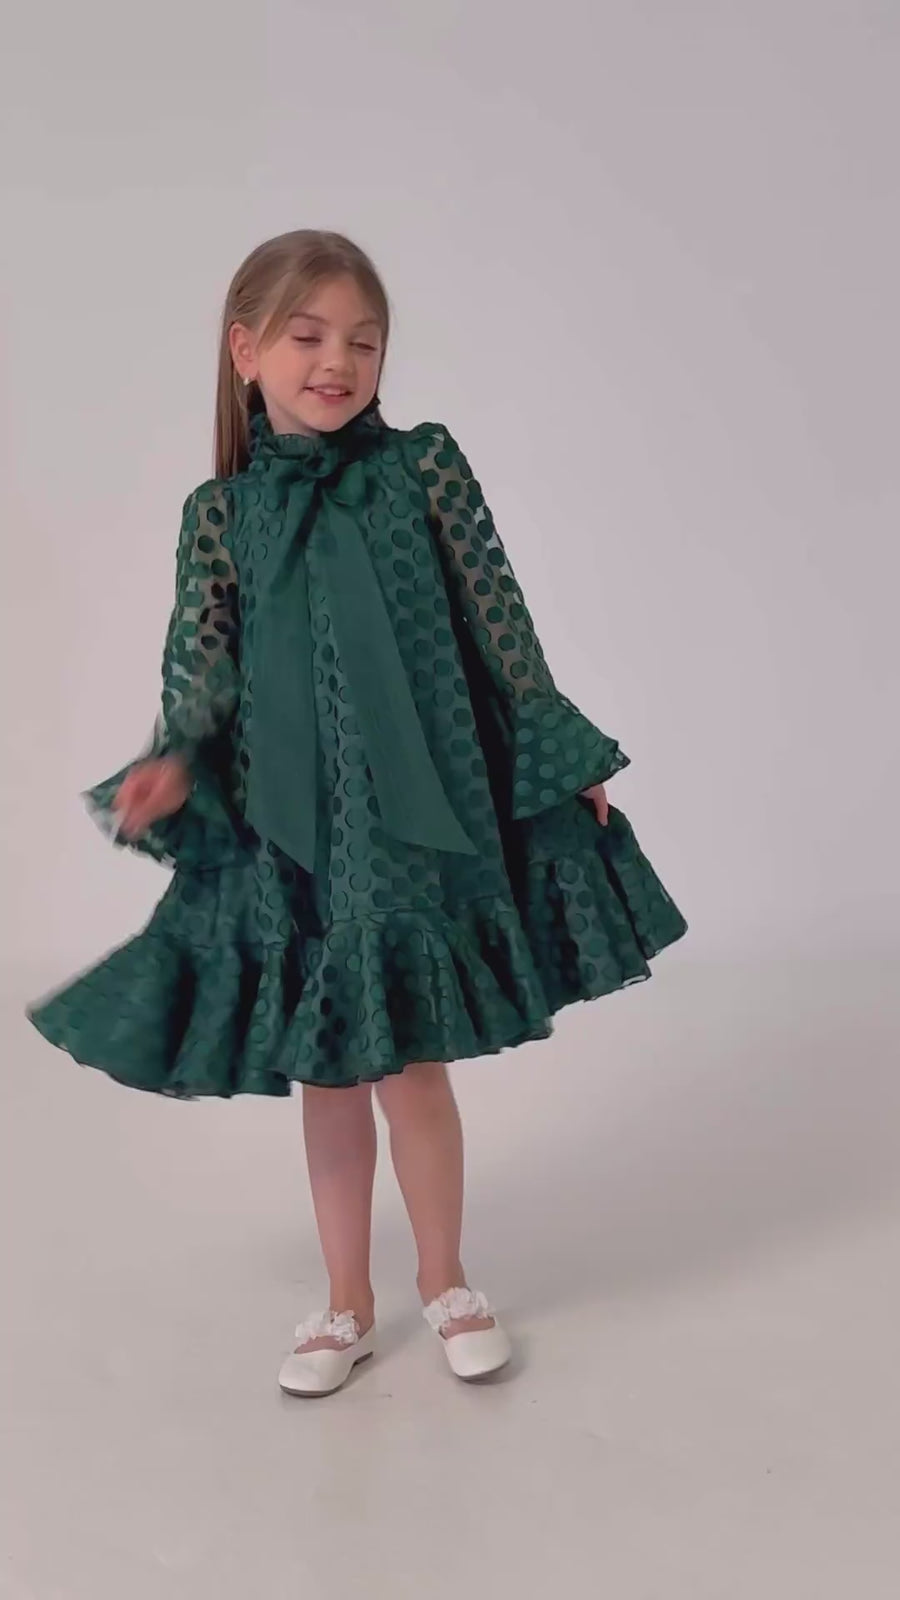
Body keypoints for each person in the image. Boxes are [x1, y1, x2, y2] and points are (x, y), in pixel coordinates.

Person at [29, 229, 687, 1397]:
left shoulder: (423, 470)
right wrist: (172, 760)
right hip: (295, 835)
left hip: (411, 829)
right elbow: (203, 669)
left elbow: (499, 622)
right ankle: (346, 1300)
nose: (338, 361)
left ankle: (447, 1278)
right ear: (246, 350)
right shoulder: (221, 513)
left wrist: (557, 748)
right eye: (310, 336)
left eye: (363, 341)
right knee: (331, 1074)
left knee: (413, 1065)